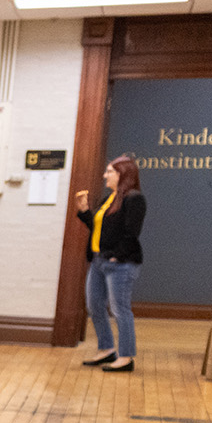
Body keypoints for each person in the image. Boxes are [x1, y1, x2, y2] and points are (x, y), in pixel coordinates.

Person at [75, 155, 146, 373]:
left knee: (120, 309)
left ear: (122, 174)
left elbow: (131, 232)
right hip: (98, 260)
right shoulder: (110, 198)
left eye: (110, 171)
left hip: (120, 263)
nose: (105, 175)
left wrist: (116, 255)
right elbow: (100, 229)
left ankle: (126, 357)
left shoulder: (134, 198)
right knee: (94, 305)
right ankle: (106, 349)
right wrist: (85, 211)